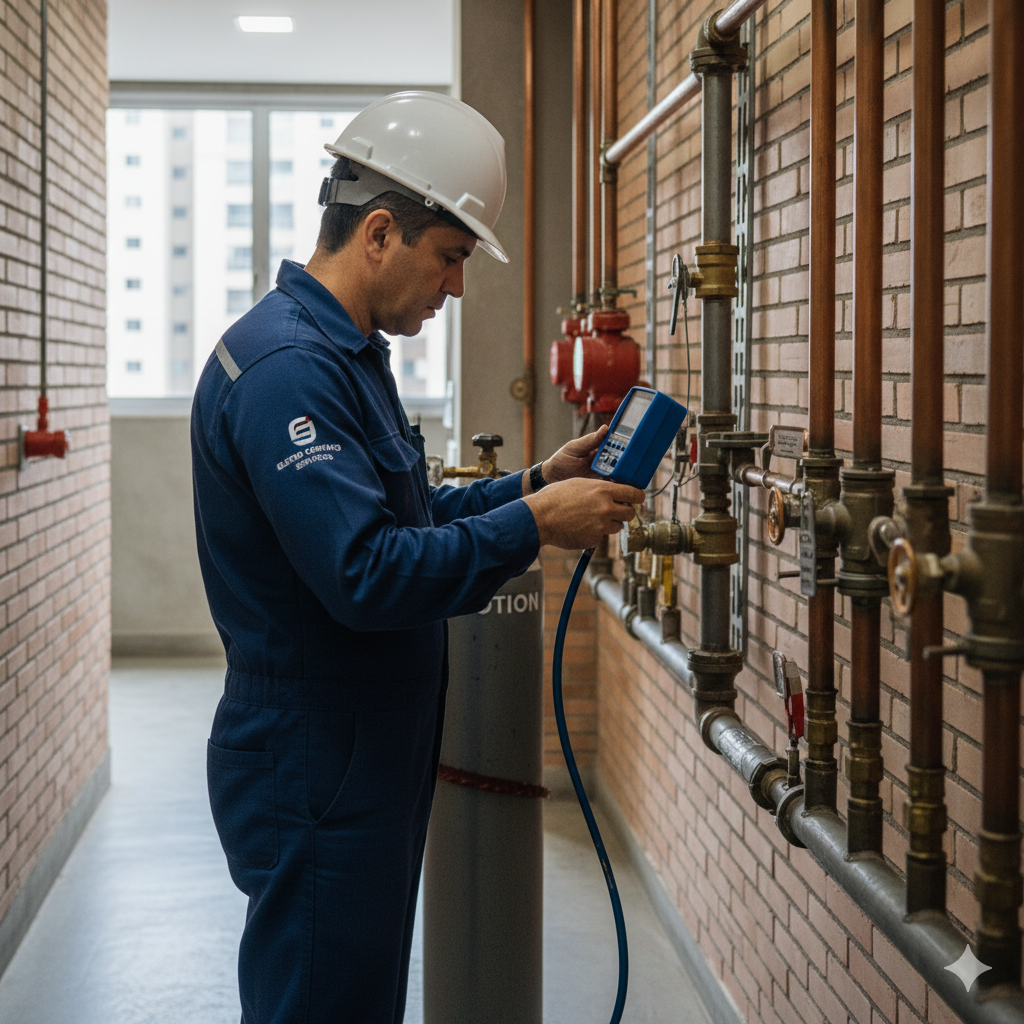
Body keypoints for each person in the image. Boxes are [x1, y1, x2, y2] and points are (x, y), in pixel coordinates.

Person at [191, 91, 643, 1024]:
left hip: (359, 757)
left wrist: (527, 487)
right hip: (316, 766)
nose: (458, 286)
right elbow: (367, 574)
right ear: (382, 232)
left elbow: (409, 513)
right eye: (452, 257)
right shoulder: (288, 373)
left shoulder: (346, 355)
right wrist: (537, 528)